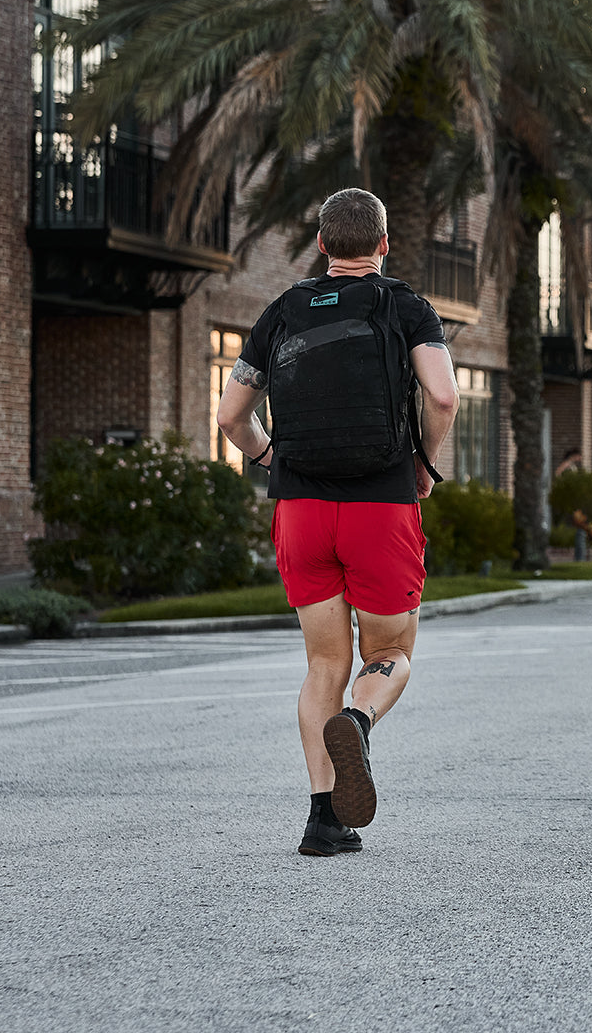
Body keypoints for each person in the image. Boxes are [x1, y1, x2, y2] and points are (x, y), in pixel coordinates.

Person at [217, 188, 459, 857]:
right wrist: (422, 463)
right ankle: (358, 718)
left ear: (321, 246)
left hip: (301, 509)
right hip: (380, 505)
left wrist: (270, 458)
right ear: (383, 245)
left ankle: (324, 820)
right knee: (389, 653)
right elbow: (442, 394)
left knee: (324, 660)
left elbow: (229, 416)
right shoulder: (405, 306)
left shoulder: (281, 312)